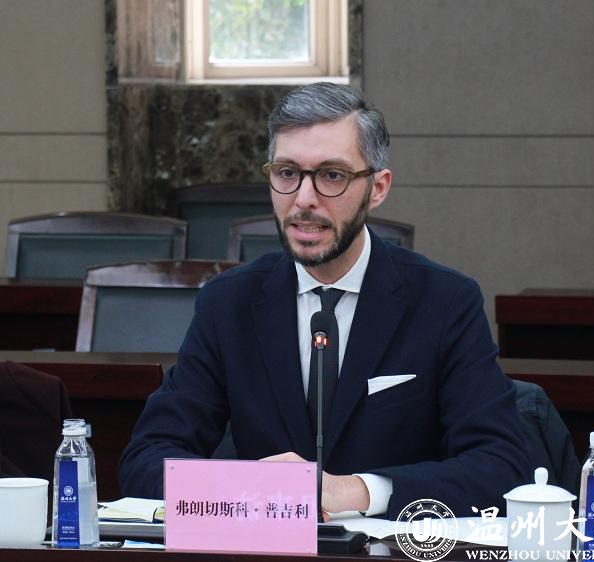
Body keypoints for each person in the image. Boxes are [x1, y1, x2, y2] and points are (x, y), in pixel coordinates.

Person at [119, 82, 531, 519]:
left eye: (332, 175)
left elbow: (501, 467)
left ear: (377, 188)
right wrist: (250, 488)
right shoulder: (229, 302)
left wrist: (360, 491)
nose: (304, 199)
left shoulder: (445, 301)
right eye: (287, 173)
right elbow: (146, 459)